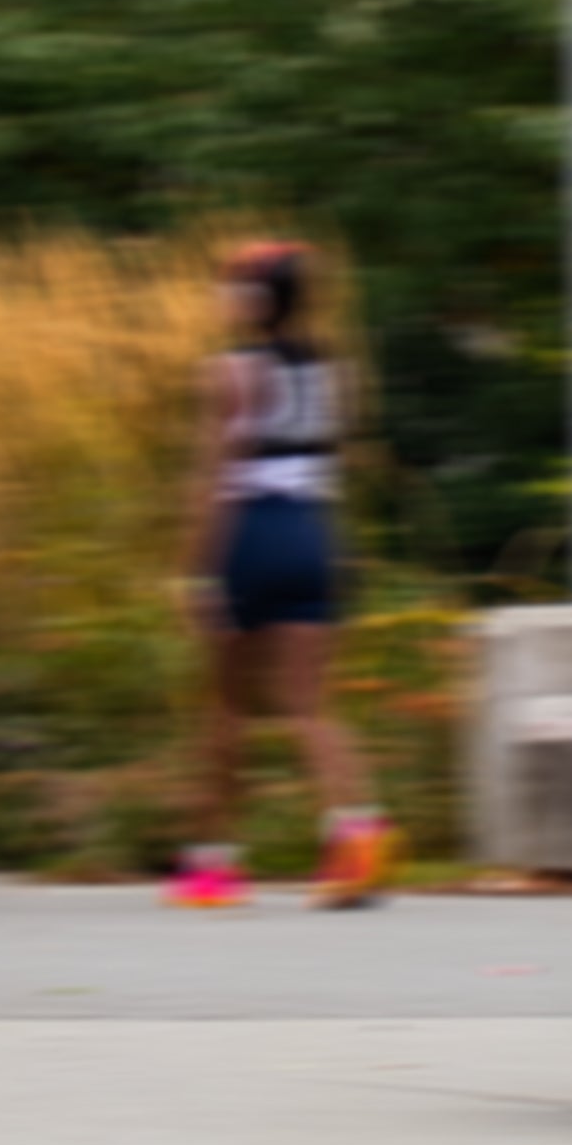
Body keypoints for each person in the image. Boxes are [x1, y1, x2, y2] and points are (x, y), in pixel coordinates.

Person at [169, 241, 393, 909]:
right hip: (314, 534)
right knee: (309, 706)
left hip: (252, 534)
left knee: (227, 708)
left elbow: (212, 476)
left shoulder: (231, 373)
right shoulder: (331, 370)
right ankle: (358, 832)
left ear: (256, 299)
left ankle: (211, 866)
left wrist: (196, 570)